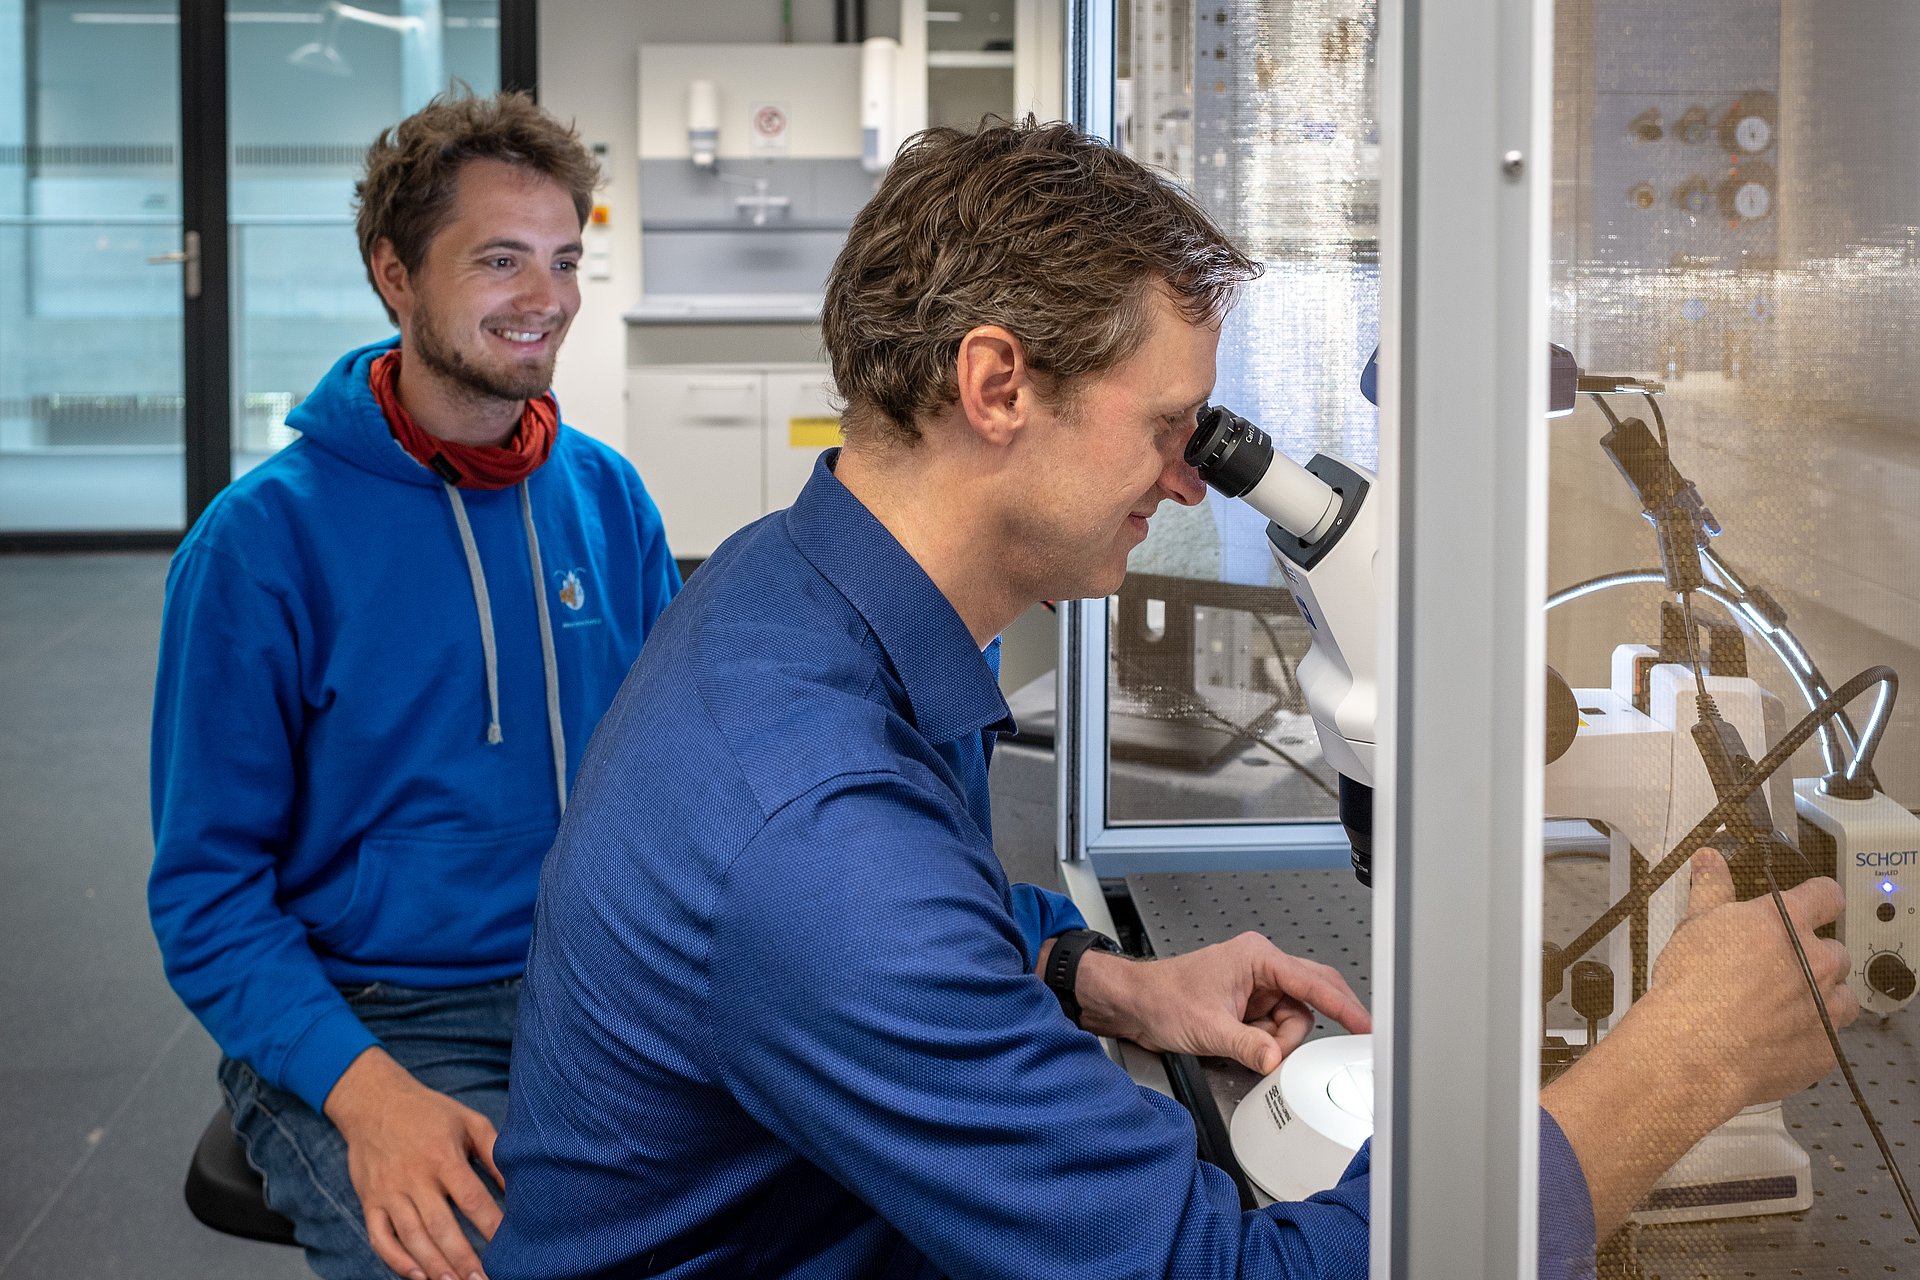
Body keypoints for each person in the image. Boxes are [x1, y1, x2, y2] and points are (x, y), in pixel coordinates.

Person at [484, 120, 1858, 1279]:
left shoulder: (789, 593)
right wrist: (1683, 1064)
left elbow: (869, 937)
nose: (1190, 482)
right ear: (998, 383)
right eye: (1165, 426)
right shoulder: (816, 831)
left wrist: (1091, 973)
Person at [148, 91, 680, 1280]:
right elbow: (206, 894)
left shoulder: (606, 499)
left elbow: (669, 784)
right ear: (395, 273)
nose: (546, 299)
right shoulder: (257, 548)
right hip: (376, 1013)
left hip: (594, 986)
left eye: (564, 259)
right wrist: (366, 1095)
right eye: (500, 260)